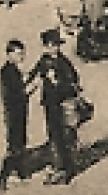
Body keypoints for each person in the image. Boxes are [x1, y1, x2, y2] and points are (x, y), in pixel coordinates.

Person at [29, 28, 83, 185]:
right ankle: (59, 166)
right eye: (49, 45)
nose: (52, 48)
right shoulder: (44, 60)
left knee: (64, 136)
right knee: (53, 135)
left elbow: (73, 82)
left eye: (55, 45)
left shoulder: (63, 63)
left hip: (62, 104)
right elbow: (34, 74)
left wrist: (57, 83)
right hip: (49, 104)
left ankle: (65, 170)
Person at [0, 38, 31, 192]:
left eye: (23, 53)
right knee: (15, 144)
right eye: (18, 54)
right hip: (14, 111)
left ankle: (19, 172)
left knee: (20, 141)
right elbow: (16, 93)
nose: (22, 57)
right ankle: (1, 178)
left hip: (17, 110)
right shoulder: (8, 72)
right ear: (9, 54)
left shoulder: (12, 70)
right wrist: (31, 87)